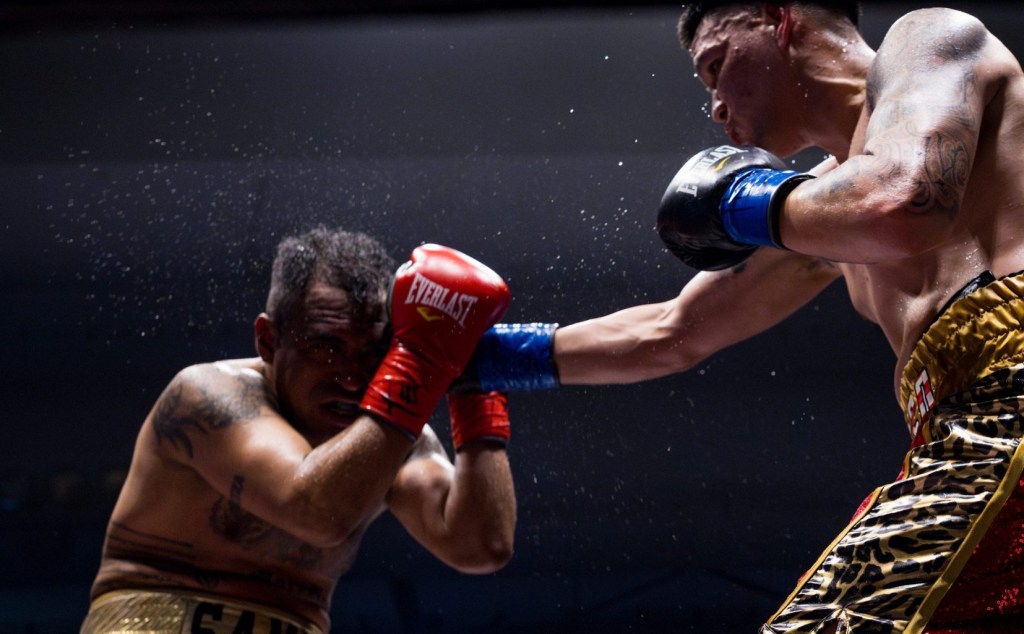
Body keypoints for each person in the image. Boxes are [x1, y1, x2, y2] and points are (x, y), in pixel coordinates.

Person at [469, 2, 1024, 632]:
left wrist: (742, 202)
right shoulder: (823, 211)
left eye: (716, 66)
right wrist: (484, 359)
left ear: (777, 18)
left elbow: (907, 200)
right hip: (954, 438)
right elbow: (673, 333)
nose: (716, 107)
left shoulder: (930, 37)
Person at [80, 227, 517, 634]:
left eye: (375, 352)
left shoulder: (394, 437)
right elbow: (313, 511)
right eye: (326, 347)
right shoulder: (208, 395)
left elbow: (480, 548)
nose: (351, 378)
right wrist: (420, 365)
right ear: (268, 341)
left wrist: (475, 389)